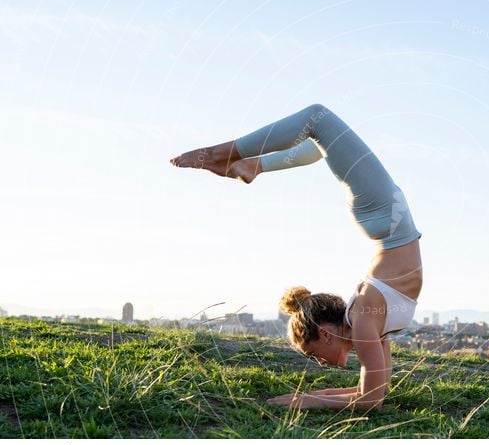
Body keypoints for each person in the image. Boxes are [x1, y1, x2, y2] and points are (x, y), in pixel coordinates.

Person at [170, 104, 423, 412]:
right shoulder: (365, 323)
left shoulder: (364, 319)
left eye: (312, 353)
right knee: (320, 142)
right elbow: (372, 392)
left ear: (325, 334)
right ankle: (253, 165)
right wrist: (313, 398)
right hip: (387, 222)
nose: (316, 362)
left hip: (384, 212)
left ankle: (224, 154)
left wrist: (303, 401)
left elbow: (369, 402)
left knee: (319, 119)